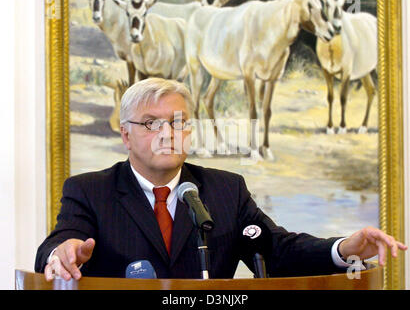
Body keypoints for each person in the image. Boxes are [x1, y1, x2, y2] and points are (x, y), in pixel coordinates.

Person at [35, 77, 407, 281]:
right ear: (126, 135)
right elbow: (61, 239)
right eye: (152, 123)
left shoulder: (225, 189)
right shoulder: (89, 190)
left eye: (178, 122)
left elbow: (276, 251)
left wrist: (344, 249)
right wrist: (63, 251)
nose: (168, 132)